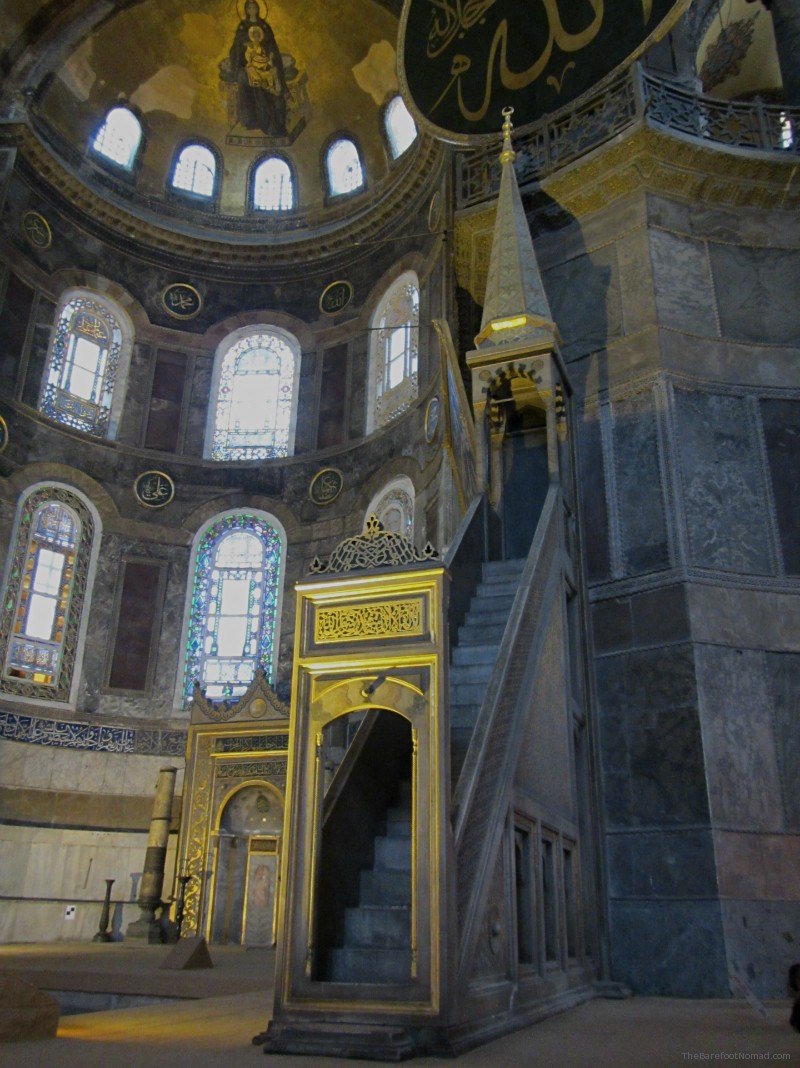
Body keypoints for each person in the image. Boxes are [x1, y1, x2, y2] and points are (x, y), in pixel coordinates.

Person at [221, 0, 287, 137]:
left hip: (265, 65)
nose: (252, 9)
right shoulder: (242, 26)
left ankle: (275, 122)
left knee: (272, 83)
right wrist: (245, 48)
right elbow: (236, 49)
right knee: (247, 79)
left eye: (254, 7)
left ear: (258, 9)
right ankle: (254, 120)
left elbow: (272, 46)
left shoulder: (264, 26)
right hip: (248, 66)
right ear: (246, 10)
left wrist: (269, 57)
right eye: (249, 7)